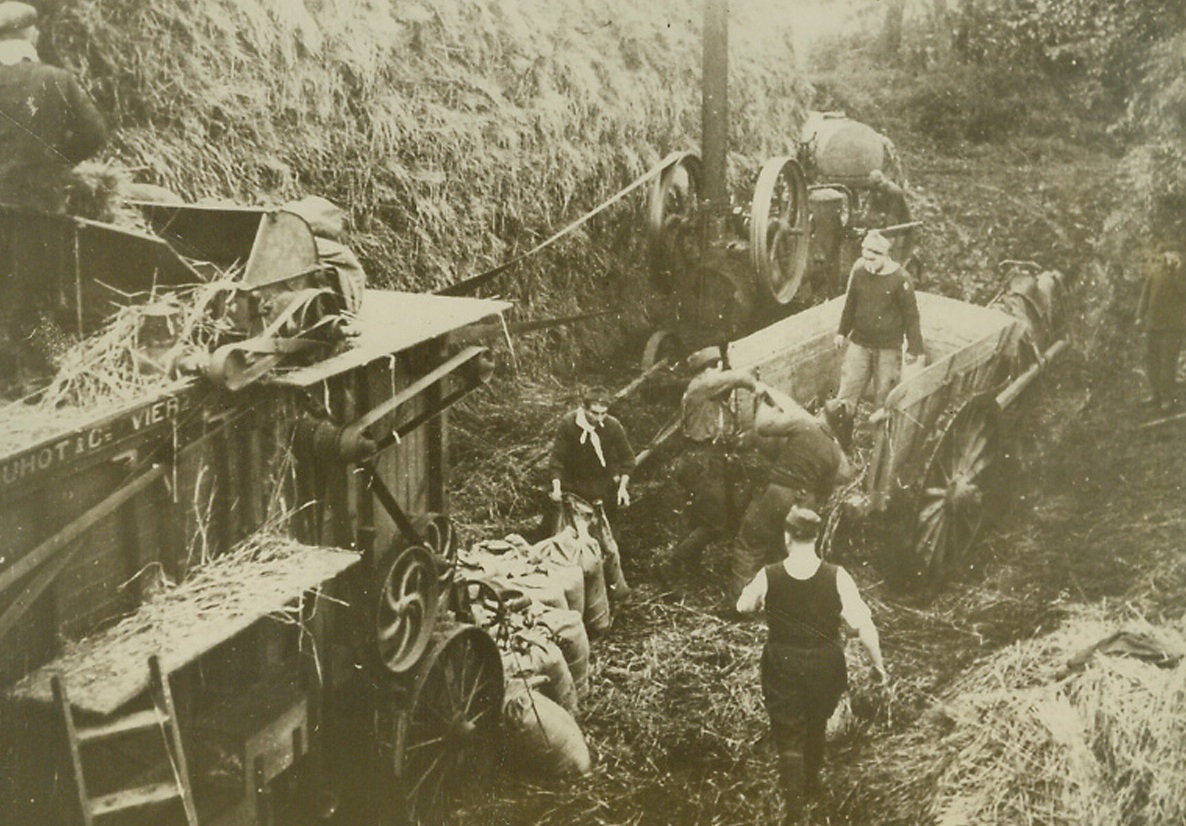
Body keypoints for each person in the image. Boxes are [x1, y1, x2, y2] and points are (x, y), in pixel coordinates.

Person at [736, 506, 887, 824]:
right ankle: (812, 785)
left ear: (787, 536)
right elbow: (864, 625)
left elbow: (743, 606)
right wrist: (879, 668)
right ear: (817, 538)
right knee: (816, 721)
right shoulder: (837, 575)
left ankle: (794, 812)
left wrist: (758, 599)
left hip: (783, 661)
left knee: (788, 731)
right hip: (825, 661)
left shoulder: (769, 574)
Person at [726, 386, 854, 602]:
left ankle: (742, 603)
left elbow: (764, 429)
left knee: (749, 545)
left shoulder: (804, 424)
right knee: (788, 551)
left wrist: (767, 406)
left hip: (779, 493)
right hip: (806, 503)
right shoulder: (834, 453)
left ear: (823, 413)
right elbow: (827, 488)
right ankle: (789, 603)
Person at [664, 349, 759, 583]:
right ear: (712, 367)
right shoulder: (703, 385)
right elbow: (739, 378)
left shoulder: (703, 392)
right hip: (703, 461)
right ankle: (671, 564)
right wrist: (756, 384)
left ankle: (691, 568)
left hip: (704, 458)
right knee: (715, 524)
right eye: (720, 367)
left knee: (701, 518)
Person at [0, 6, 107, 213]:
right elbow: (94, 133)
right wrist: (57, 160)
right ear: (33, 36)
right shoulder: (56, 79)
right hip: (40, 204)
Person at [548, 389, 636, 599]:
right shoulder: (569, 425)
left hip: (602, 487)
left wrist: (622, 487)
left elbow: (628, 459)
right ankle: (574, 589)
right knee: (572, 541)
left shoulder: (612, 426)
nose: (598, 418)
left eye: (603, 413)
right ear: (584, 408)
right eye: (594, 413)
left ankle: (611, 589)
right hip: (574, 487)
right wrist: (557, 488)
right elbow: (557, 460)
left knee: (608, 541)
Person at [834, 229, 924, 421]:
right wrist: (842, 332)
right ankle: (839, 439)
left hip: (888, 348)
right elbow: (850, 304)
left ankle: (880, 442)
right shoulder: (859, 271)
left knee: (884, 399)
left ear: (886, 255)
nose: (868, 264)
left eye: (872, 259)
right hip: (860, 343)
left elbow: (911, 317)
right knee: (847, 392)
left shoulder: (901, 280)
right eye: (865, 258)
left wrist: (914, 349)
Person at [282, 195, 367, 316]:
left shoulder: (297, 212)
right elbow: (356, 273)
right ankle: (349, 308)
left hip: (290, 240)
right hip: (299, 241)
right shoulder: (336, 249)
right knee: (348, 263)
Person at [1136, 250, 1186, 414]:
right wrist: (1139, 316)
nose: (1168, 259)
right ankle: (1155, 394)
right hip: (1153, 325)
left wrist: (1176, 272)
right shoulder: (1155, 271)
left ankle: (1167, 398)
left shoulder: (1181, 273)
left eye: (1173, 255)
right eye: (1166, 255)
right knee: (1152, 361)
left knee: (1168, 363)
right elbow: (1145, 294)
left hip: (1173, 327)